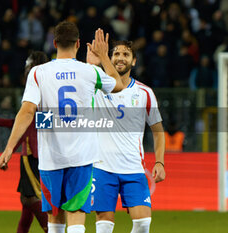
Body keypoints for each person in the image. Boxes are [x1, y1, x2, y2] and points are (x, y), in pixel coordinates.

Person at [0, 21, 123, 233]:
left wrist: (9, 149)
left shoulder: (38, 72)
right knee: (76, 216)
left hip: (50, 158)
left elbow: (27, 111)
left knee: (54, 217)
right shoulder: (90, 72)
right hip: (81, 157)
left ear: (54, 43)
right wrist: (103, 59)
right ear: (79, 44)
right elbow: (117, 86)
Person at [87, 41, 166, 233]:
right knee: (104, 226)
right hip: (102, 167)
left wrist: (160, 162)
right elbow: (83, 79)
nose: (120, 58)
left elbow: (158, 130)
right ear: (110, 58)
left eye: (126, 54)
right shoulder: (96, 87)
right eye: (116, 54)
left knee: (143, 225)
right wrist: (92, 64)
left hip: (133, 168)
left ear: (134, 61)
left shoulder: (144, 93)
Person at [0, 51, 49, 233]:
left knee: (30, 199)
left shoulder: (37, 90)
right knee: (26, 207)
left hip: (32, 152)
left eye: (28, 66)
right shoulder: (46, 90)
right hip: (39, 151)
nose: (26, 71)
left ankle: (52, 229)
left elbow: (27, 124)